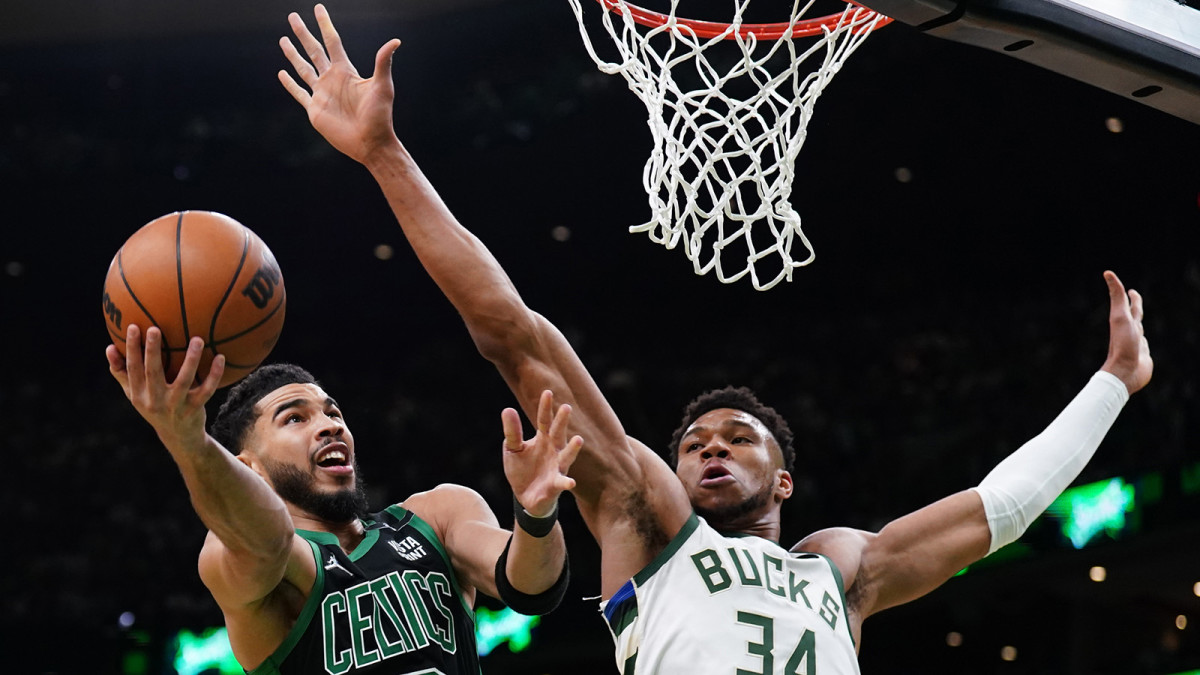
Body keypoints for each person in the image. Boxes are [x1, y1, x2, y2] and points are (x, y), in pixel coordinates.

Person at [277, 6, 1154, 672]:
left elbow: (1000, 508)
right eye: (695, 442)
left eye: (738, 439)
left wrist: (1114, 378)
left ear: (784, 477)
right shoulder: (649, 519)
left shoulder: (842, 569)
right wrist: (386, 156)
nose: (710, 450)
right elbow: (514, 335)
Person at [105, 324, 582, 674]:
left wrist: (535, 514)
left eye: (332, 412)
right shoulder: (253, 557)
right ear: (249, 466)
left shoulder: (437, 515)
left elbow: (533, 587)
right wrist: (189, 440)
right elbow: (266, 537)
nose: (330, 424)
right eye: (295, 418)